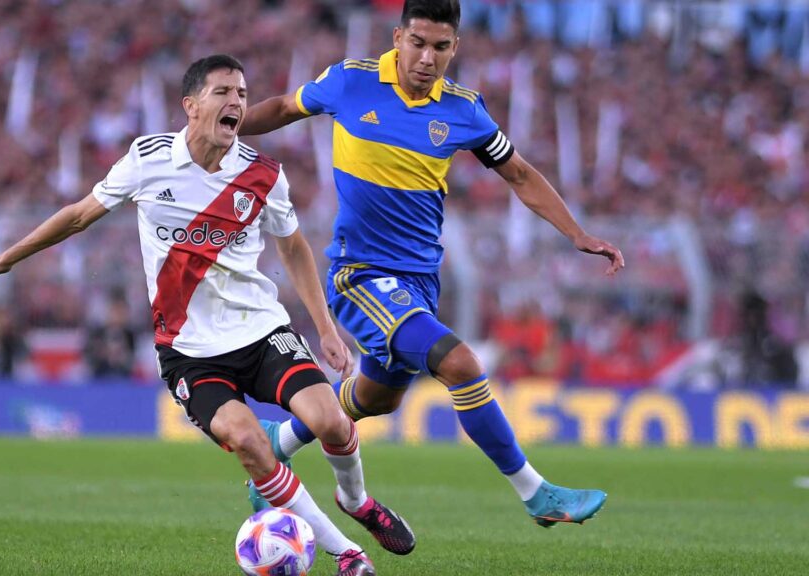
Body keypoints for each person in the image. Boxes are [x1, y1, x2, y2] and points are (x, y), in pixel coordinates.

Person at [0, 54, 416, 575]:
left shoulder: (264, 174)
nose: (236, 102)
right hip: (188, 351)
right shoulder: (148, 159)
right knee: (248, 442)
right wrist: (6, 258)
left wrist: (326, 329)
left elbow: (293, 248)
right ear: (191, 105)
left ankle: (356, 501)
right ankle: (347, 554)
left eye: (242, 94)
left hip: (262, 330)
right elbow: (79, 215)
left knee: (330, 420)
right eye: (223, 92)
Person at [239, 0, 625, 527]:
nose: (427, 58)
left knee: (376, 398)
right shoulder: (351, 81)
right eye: (418, 43)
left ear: (454, 48)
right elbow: (285, 107)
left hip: (419, 282)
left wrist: (577, 233)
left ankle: (278, 441)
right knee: (461, 364)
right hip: (360, 276)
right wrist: (222, 128)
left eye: (440, 47)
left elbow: (519, 174)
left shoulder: (464, 110)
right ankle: (537, 494)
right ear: (398, 38)